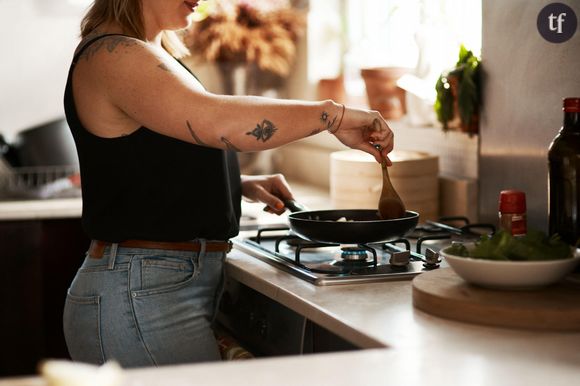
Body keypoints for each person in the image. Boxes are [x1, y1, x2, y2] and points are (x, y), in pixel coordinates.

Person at [63, 0, 394, 368]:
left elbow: (145, 156)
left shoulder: (145, 49)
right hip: (140, 296)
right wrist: (333, 116)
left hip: (153, 288)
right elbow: (216, 121)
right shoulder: (115, 54)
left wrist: (237, 183)